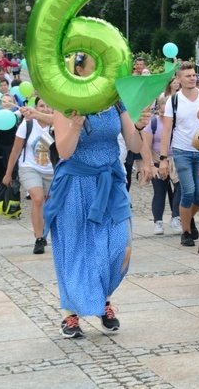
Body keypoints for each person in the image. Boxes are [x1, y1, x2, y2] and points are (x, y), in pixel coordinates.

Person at [42, 94, 150, 339]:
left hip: (110, 183)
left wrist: (140, 127)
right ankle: (70, 313)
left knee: (120, 247)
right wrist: (76, 126)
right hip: (75, 185)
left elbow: (134, 146)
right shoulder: (65, 103)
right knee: (75, 248)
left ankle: (102, 299)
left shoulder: (116, 101)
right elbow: (65, 151)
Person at [158, 62, 199, 246]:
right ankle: (185, 232)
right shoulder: (173, 100)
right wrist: (163, 158)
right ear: (179, 79)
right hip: (181, 151)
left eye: (194, 75)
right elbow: (167, 130)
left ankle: (188, 218)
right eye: (188, 76)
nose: (192, 78)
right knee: (189, 192)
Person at [2, 97, 55, 254]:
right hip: (29, 167)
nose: (45, 109)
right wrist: (8, 174)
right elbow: (16, 150)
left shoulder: (58, 125)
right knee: (38, 199)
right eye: (42, 105)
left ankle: (45, 229)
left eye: (49, 106)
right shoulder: (27, 125)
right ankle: (39, 239)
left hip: (53, 170)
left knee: (49, 204)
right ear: (35, 107)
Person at [140, 95, 181, 235]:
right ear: (158, 111)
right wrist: (151, 165)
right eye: (162, 113)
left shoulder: (176, 123)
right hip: (158, 160)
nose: (164, 115)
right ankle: (158, 221)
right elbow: (147, 145)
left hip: (175, 160)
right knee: (160, 192)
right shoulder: (153, 123)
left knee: (180, 189)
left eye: (166, 113)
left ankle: (176, 217)